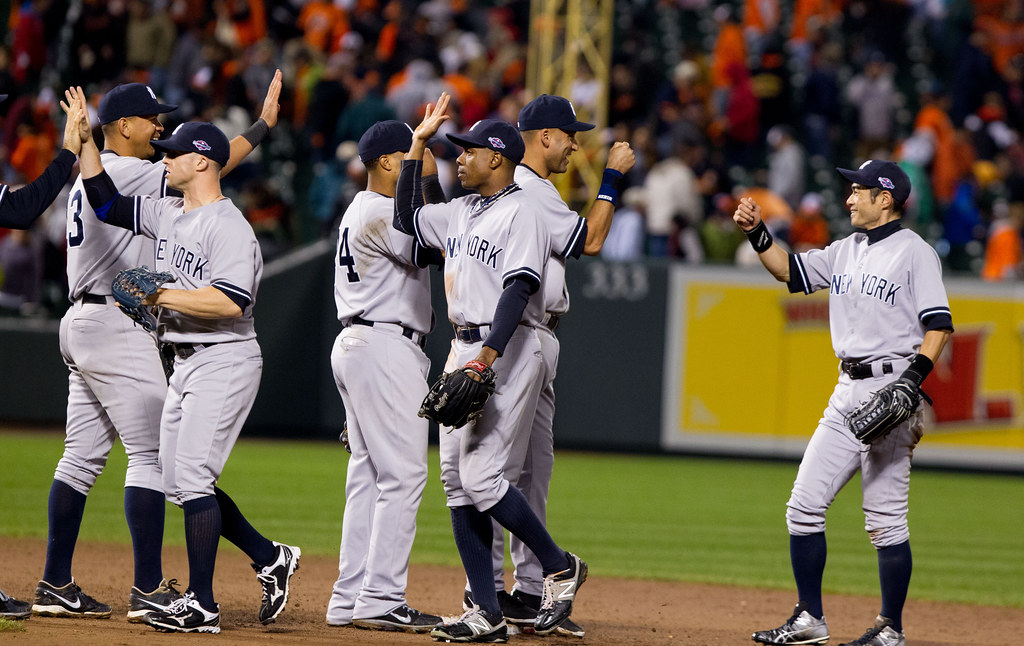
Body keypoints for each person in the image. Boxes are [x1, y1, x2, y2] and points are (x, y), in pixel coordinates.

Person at [33, 75, 283, 624]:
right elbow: (218, 159)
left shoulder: (100, 174)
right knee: (153, 460)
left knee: (81, 458)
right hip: (118, 322)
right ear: (124, 126)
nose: (160, 131)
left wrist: (86, 146)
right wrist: (262, 127)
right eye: (152, 122)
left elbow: (197, 169)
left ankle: (55, 581)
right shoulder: (135, 173)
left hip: (82, 318)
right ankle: (150, 587)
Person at [394, 93, 587, 643]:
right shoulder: (460, 211)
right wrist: (417, 144)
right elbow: (407, 219)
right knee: (456, 482)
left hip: (507, 345)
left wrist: (488, 355)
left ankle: (558, 565)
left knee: (483, 476)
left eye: (469, 151)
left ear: (497, 158)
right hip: (462, 343)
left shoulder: (521, 210)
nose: (460, 158)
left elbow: (520, 286)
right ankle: (486, 611)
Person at [736, 160, 953, 646]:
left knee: (884, 519)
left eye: (859, 190)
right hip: (846, 390)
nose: (849, 198)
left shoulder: (915, 253)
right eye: (850, 189)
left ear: (886, 199)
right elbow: (788, 271)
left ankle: (890, 628)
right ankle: (809, 618)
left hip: (894, 385)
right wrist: (758, 232)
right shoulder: (845, 250)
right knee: (803, 507)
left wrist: (912, 381)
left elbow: (938, 324)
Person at [462, 94, 634, 638]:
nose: (574, 145)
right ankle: (486, 591)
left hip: (536, 337)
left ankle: (531, 594)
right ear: (543, 138)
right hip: (515, 338)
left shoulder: (536, 192)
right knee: (494, 469)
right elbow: (596, 239)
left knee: (534, 471)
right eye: (569, 135)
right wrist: (610, 179)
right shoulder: (530, 192)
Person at [324, 120, 444, 633]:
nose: (420, 161)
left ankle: (349, 596)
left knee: (368, 478)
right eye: (412, 153)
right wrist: (432, 182)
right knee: (404, 476)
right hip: (385, 345)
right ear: (391, 162)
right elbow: (428, 250)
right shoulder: (379, 210)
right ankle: (381, 598)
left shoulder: (358, 209)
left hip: (360, 342)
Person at [0, 94, 79, 230]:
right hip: (41, 193)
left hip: (39, 192)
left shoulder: (29, 144)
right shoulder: (38, 142)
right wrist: (68, 152)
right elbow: (20, 208)